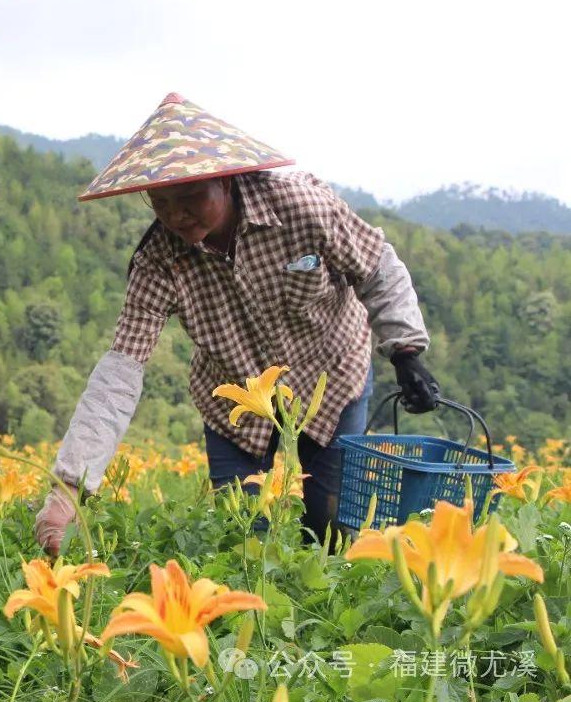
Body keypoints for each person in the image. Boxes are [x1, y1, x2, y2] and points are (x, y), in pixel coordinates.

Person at [34, 93, 439, 555]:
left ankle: (323, 609)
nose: (176, 216)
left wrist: (405, 350)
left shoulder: (301, 206)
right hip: (235, 398)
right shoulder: (157, 261)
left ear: (226, 181)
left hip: (331, 374)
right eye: (161, 203)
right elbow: (122, 369)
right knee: (242, 534)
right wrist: (68, 489)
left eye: (190, 197)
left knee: (329, 523)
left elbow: (376, 266)